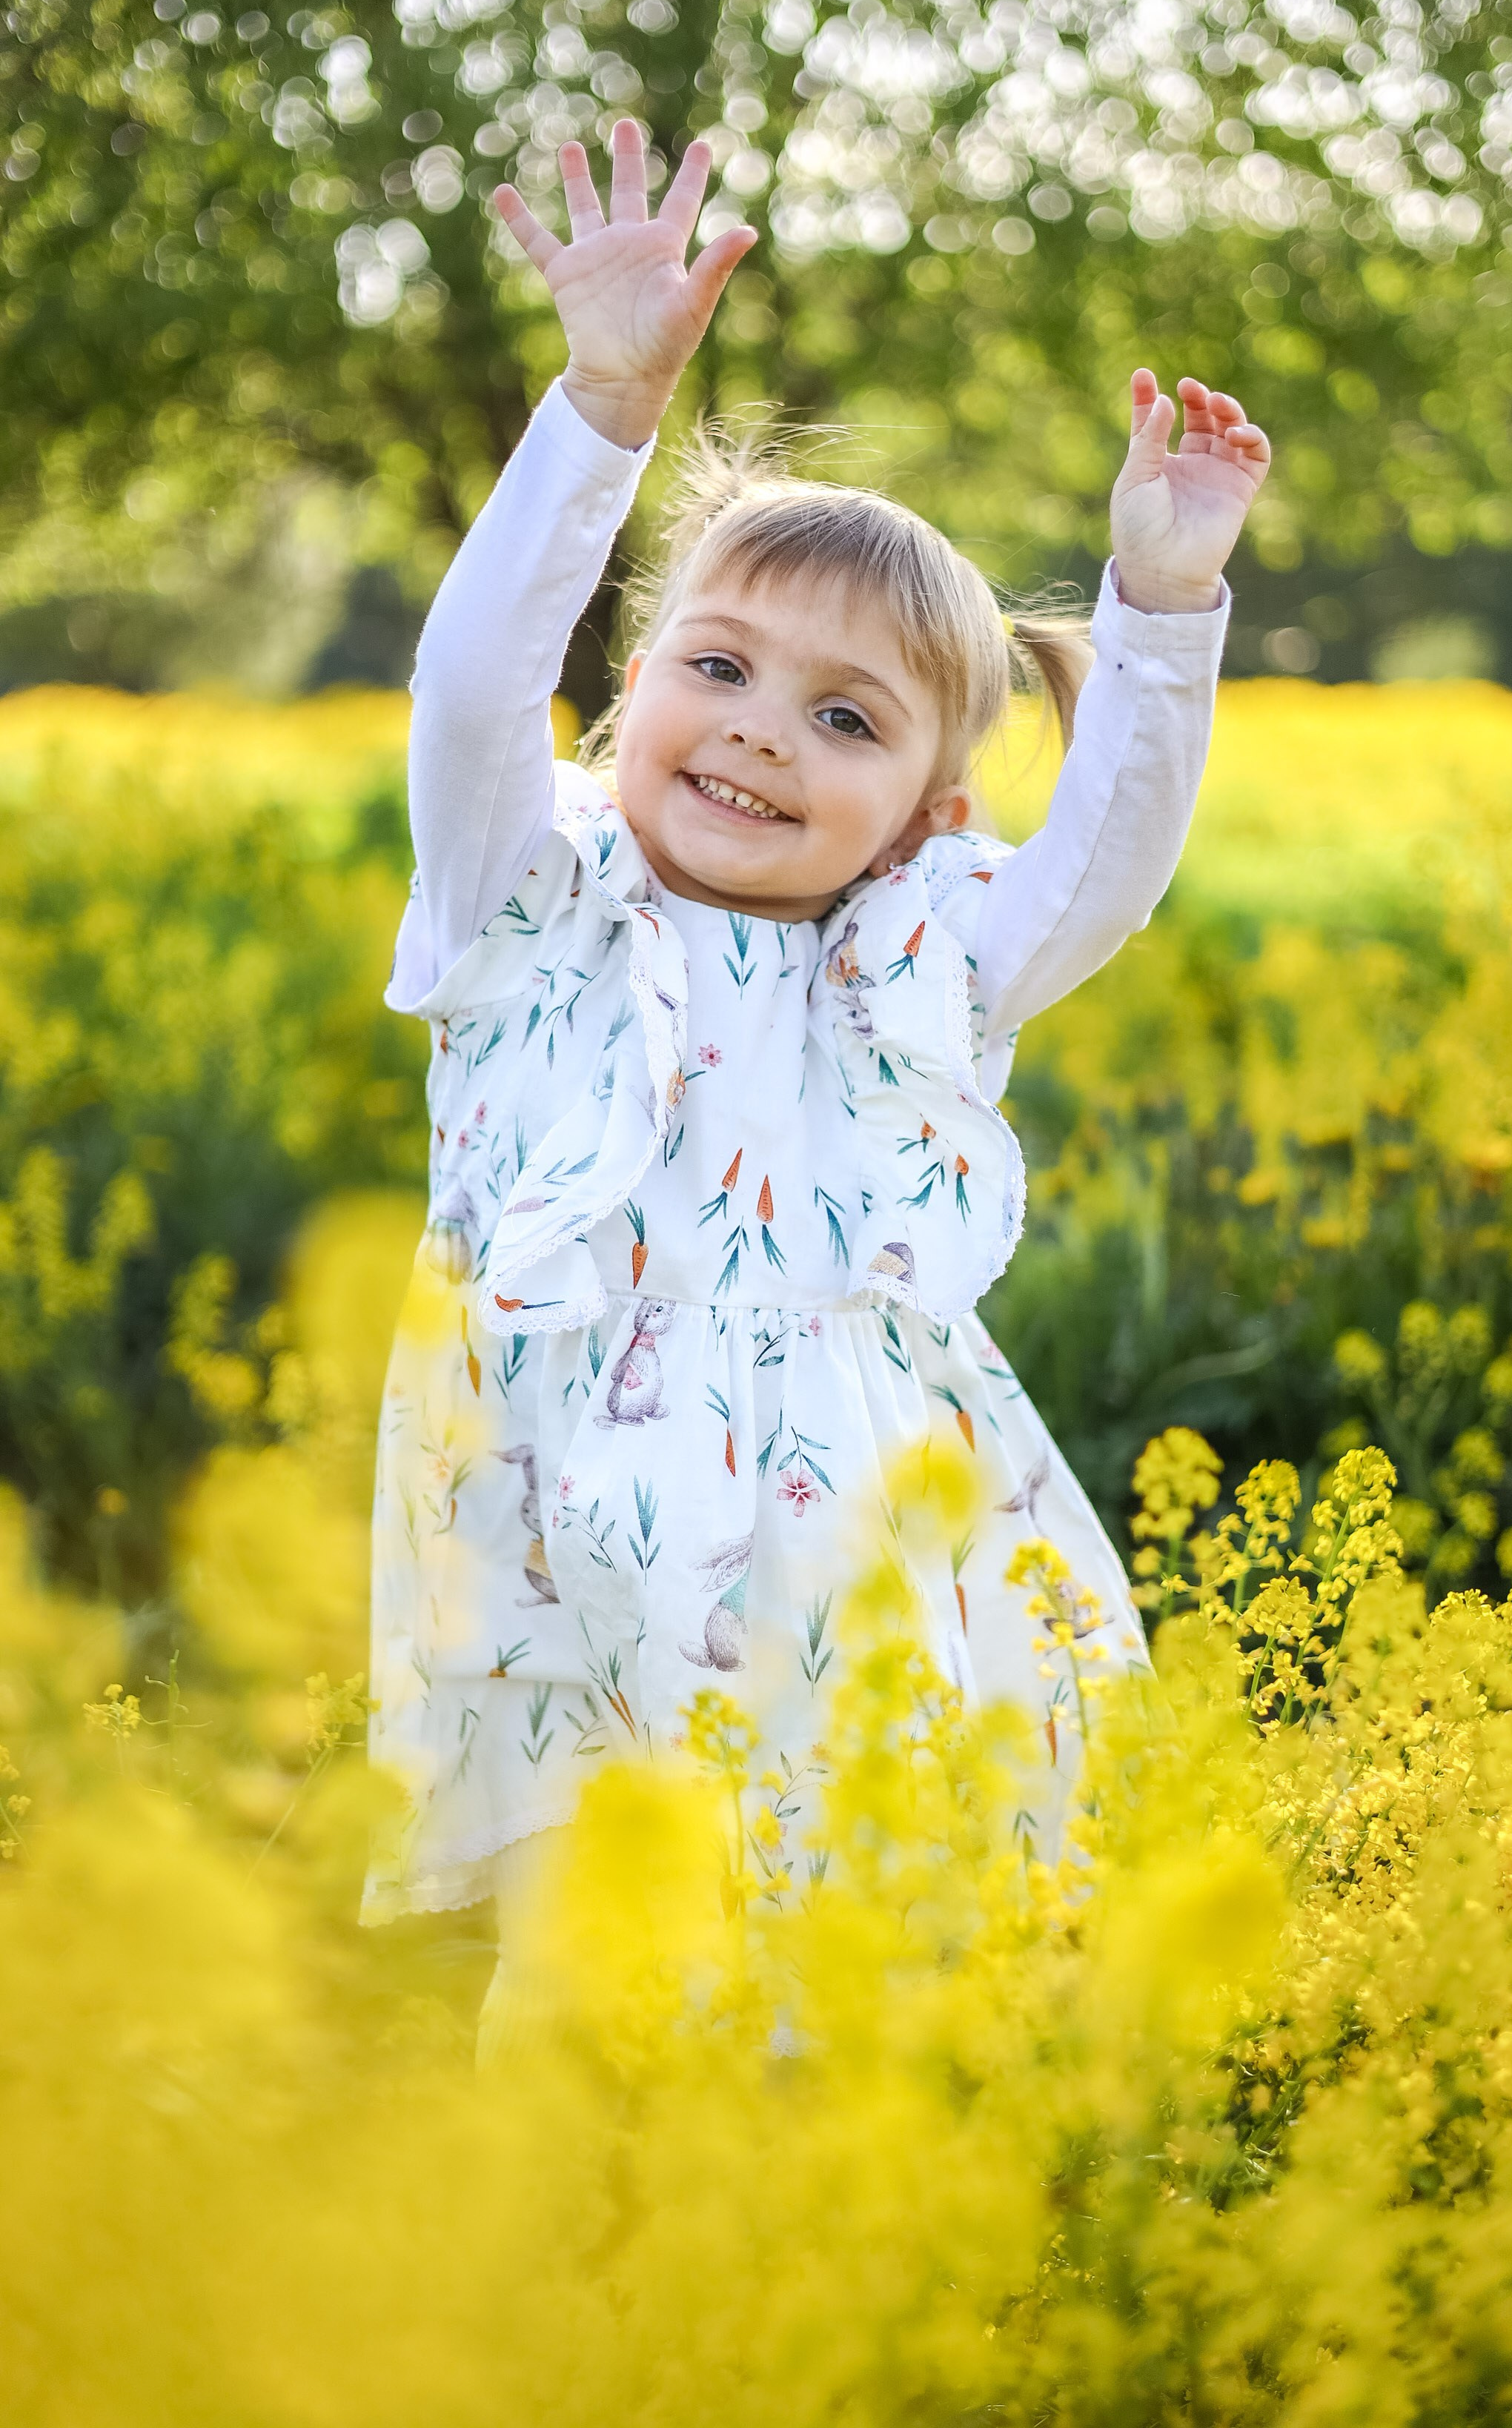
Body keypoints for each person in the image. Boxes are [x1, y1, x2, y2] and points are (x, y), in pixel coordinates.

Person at [362, 120, 1270, 2009]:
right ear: (628, 694)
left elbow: (1102, 869)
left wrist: (1163, 605)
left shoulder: (921, 955)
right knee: (584, 1969)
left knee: (844, 1957)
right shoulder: (522, 890)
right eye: (719, 670)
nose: (763, 736)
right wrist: (605, 404)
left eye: (840, 717)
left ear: (927, 810)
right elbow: (465, 682)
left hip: (847, 1513)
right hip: (554, 1507)